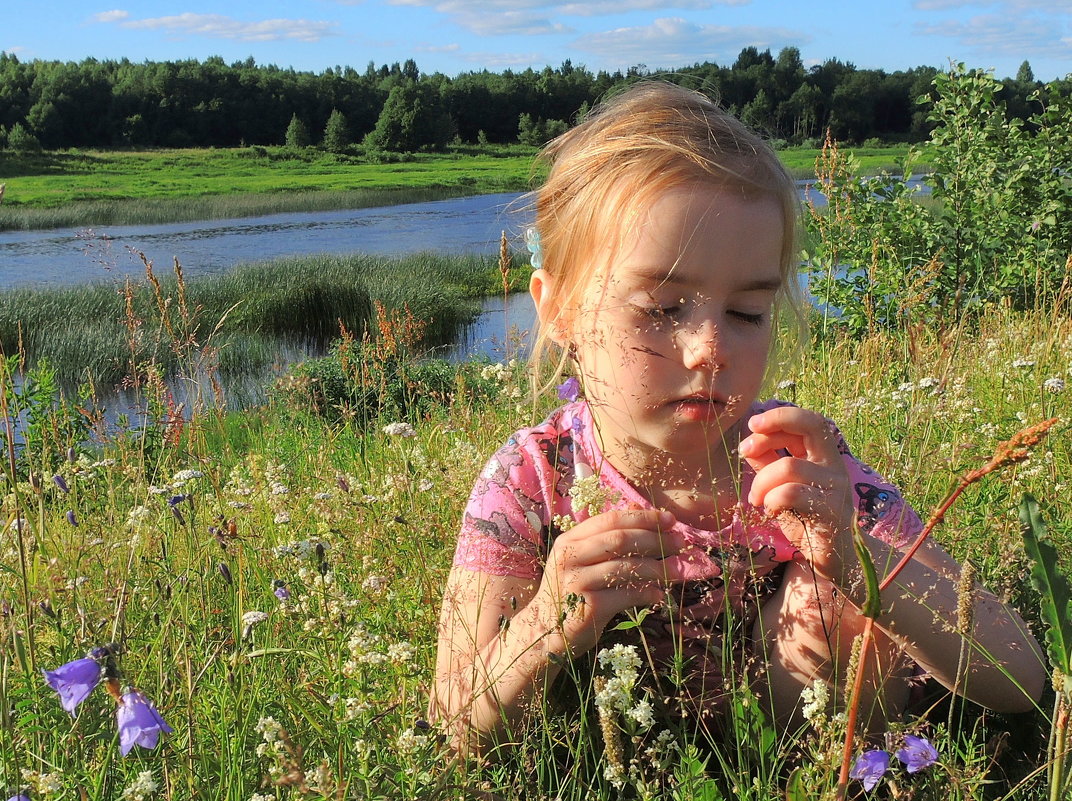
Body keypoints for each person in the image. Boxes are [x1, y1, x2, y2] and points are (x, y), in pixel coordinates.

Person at [430, 81, 1045, 757]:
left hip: (795, 745)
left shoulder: (793, 460)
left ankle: (835, 776)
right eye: (661, 309)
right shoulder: (531, 479)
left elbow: (1022, 679)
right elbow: (454, 727)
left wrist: (850, 553)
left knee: (834, 593)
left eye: (747, 313)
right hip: (612, 754)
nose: (710, 349)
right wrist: (548, 622)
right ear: (558, 312)